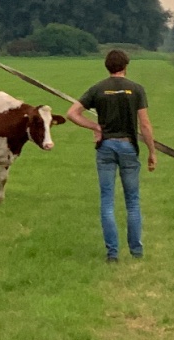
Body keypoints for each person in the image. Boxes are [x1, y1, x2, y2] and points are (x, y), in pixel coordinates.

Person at [67, 50, 157, 263]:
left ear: (107, 67)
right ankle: (136, 252)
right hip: (128, 146)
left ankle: (112, 254)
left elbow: (72, 114)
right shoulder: (136, 89)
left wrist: (95, 126)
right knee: (132, 201)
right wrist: (152, 152)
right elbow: (144, 124)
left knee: (107, 200)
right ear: (125, 66)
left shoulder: (98, 88)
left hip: (106, 147)